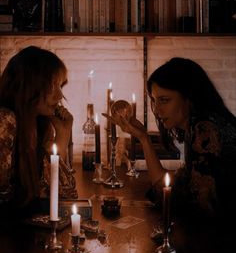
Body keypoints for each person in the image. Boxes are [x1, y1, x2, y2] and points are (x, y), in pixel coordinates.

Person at [103, 57, 236, 218]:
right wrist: (143, 138)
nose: (157, 110)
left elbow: (201, 208)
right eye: (154, 100)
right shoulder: (195, 127)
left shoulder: (206, 130)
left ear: (189, 97)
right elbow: (164, 184)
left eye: (164, 100)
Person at [0, 46, 78, 214]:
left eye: (60, 86)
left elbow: (63, 193)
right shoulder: (5, 121)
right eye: (53, 86)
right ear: (30, 87)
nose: (59, 96)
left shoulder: (39, 123)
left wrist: (63, 134)